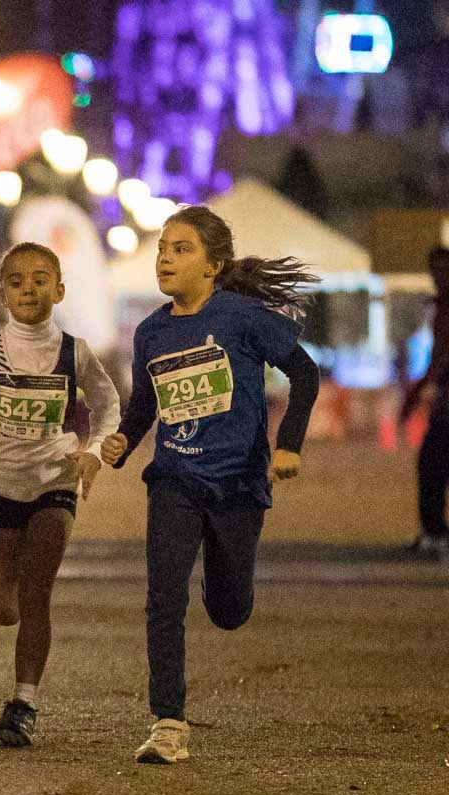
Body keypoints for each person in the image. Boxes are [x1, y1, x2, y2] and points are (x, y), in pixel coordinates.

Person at [100, 206, 320, 765]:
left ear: (214, 265)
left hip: (239, 484)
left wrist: (288, 443)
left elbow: (305, 372)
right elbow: (145, 406)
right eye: (162, 248)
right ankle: (168, 723)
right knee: (162, 598)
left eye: (181, 249)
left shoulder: (242, 318)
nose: (165, 259)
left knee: (229, 610)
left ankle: (223, 587)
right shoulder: (151, 332)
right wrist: (123, 441)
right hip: (175, 479)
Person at [0, 242, 121, 747]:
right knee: (5, 609)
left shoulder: (75, 351)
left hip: (55, 482)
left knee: (37, 591)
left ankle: (23, 703)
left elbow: (109, 405)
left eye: (41, 278)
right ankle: (23, 622)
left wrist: (92, 451)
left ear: (59, 289)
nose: (29, 288)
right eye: (17, 281)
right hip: (3, 488)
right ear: (2, 293)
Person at [401, 247, 449, 559]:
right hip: (443, 402)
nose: (438, 276)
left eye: (443, 270)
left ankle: (434, 532)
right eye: (434, 270)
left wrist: (431, 384)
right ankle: (433, 530)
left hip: (446, 401)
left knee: (432, 463)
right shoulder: (440, 307)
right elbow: (437, 358)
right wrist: (415, 395)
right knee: (431, 465)